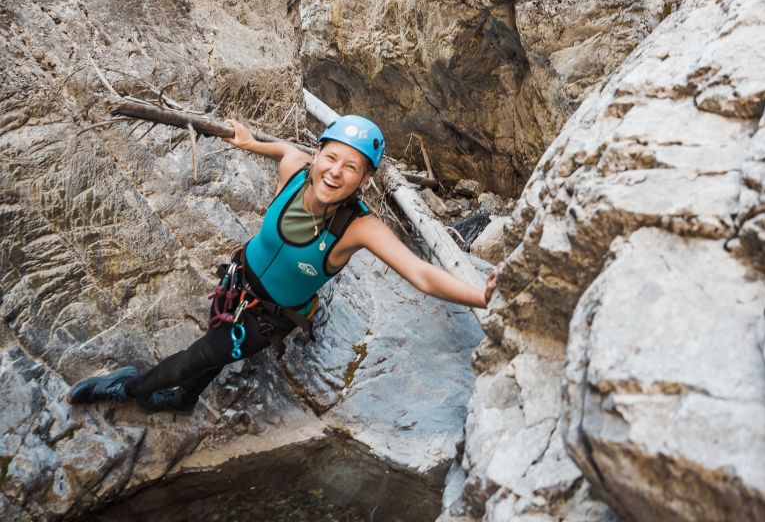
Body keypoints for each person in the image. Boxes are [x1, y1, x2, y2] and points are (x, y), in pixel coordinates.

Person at [67, 114, 499, 413]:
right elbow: (284, 151)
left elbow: (421, 274)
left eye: (352, 167)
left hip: (267, 319)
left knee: (197, 356)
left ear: (365, 179)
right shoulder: (296, 170)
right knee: (213, 348)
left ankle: (128, 389)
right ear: (318, 154)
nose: (335, 172)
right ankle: (185, 400)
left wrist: (480, 294)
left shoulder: (358, 228)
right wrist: (252, 141)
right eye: (331, 157)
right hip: (236, 282)